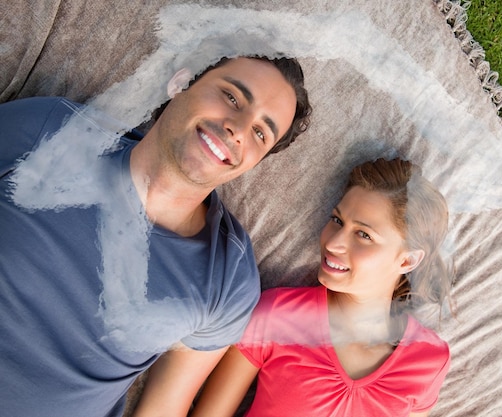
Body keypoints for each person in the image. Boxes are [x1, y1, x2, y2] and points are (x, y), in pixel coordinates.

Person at [0, 56, 311, 417]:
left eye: (261, 133)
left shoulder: (228, 279)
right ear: (181, 83)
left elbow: (164, 406)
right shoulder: (53, 130)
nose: (239, 129)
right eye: (231, 98)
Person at [191, 157, 453, 417]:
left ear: (407, 260)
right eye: (337, 221)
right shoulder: (278, 316)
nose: (333, 243)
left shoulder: (429, 361)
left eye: (364, 235)